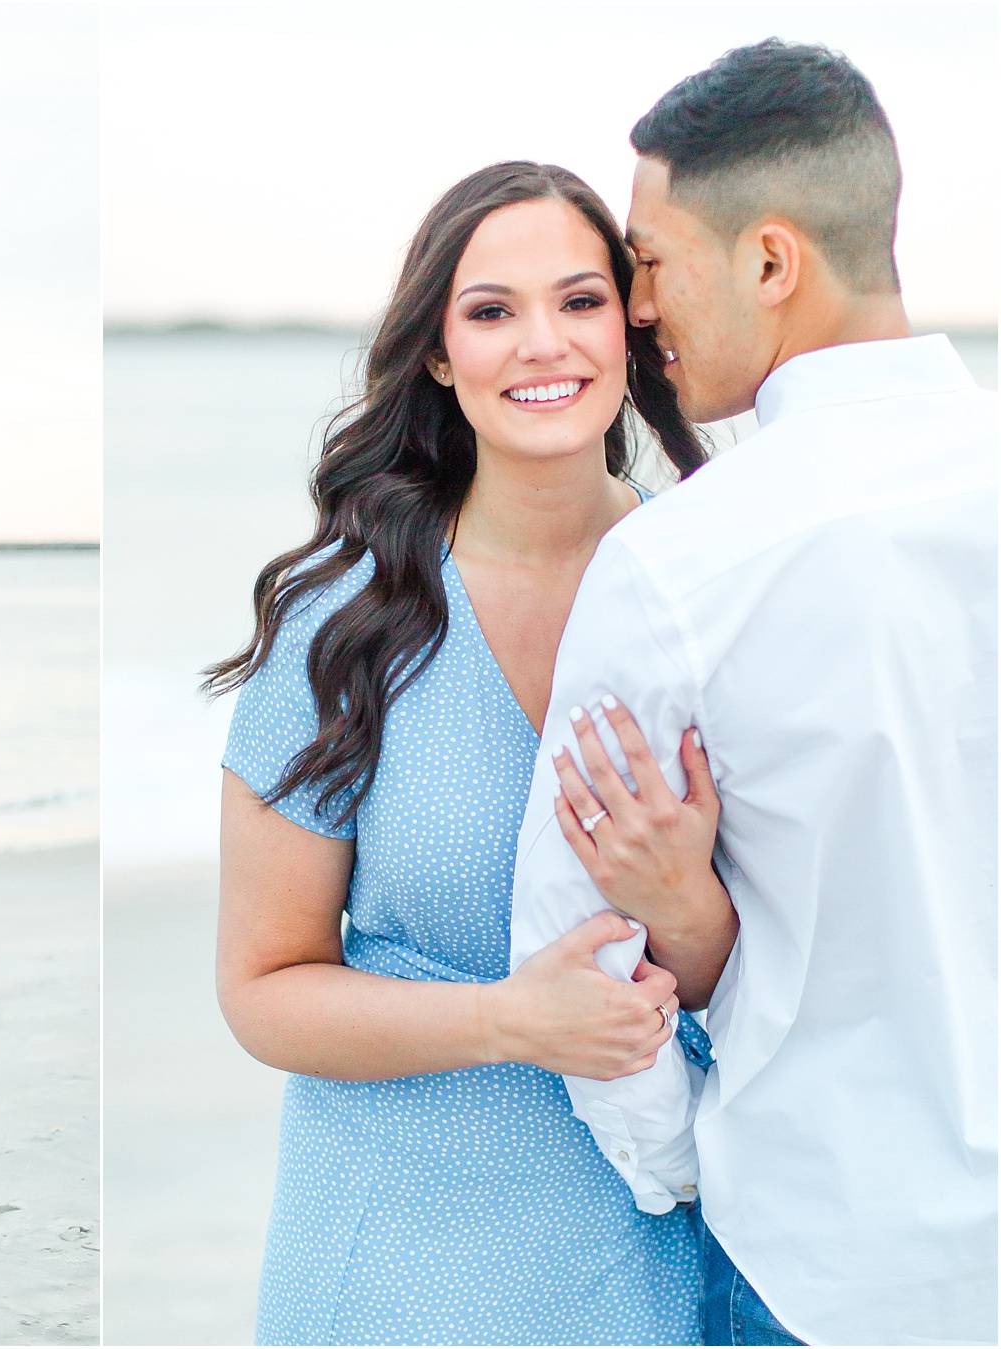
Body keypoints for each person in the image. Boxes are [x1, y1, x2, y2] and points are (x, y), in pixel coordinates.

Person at [508, 40, 996, 1348]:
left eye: (651, 263)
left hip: (821, 1255)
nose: (638, 306)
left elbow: (576, 944)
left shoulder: (684, 561)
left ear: (771, 262)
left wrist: (680, 1166)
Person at [208, 161, 716, 1345]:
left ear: (631, 324)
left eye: (581, 300)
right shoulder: (342, 620)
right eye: (492, 311)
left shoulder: (719, 588)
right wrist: (510, 1021)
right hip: (396, 1264)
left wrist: (683, 906)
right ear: (439, 353)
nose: (544, 343)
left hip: (663, 1250)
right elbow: (263, 989)